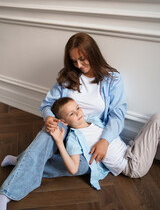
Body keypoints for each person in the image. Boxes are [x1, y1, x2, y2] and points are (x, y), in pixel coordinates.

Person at [0, 32, 127, 209]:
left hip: (90, 132)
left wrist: (105, 141)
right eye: (74, 61)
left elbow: (117, 114)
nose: (78, 65)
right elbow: (47, 105)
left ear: (93, 53)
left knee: (83, 167)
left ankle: (22, 160)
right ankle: (6, 193)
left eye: (82, 59)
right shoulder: (68, 78)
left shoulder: (112, 80)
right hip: (65, 125)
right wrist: (49, 118)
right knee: (46, 136)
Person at [49, 97, 160, 189]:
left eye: (77, 108)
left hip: (131, 150)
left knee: (155, 119)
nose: (78, 113)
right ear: (64, 121)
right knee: (157, 120)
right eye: (72, 114)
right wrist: (59, 142)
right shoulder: (74, 139)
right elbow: (73, 169)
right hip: (132, 166)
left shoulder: (94, 121)